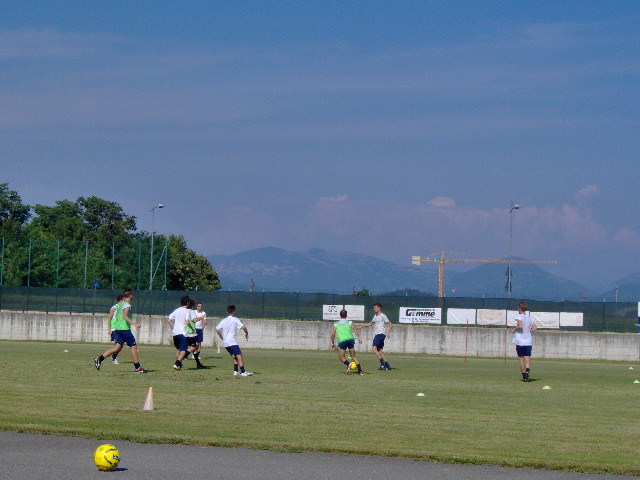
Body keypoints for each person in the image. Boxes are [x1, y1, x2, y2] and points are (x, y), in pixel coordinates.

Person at [94, 290, 146, 373]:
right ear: (130, 296)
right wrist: (134, 324)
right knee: (133, 346)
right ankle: (137, 367)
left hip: (118, 329)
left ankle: (99, 359)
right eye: (132, 295)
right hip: (124, 329)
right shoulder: (127, 305)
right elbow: (125, 316)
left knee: (117, 348)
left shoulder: (120, 304)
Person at [216, 305, 253, 376]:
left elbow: (217, 329)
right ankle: (243, 372)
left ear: (227, 312)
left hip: (226, 343)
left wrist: (222, 338)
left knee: (236, 356)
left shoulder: (224, 320)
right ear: (234, 311)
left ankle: (235, 371)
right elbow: (244, 327)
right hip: (232, 342)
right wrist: (246, 334)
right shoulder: (235, 319)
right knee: (239, 355)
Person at [356, 303, 393, 370]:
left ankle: (382, 364)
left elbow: (390, 324)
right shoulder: (375, 316)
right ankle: (387, 366)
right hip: (379, 334)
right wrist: (360, 327)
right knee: (379, 351)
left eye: (375, 308)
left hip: (380, 334)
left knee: (373, 349)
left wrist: (388, 332)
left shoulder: (383, 316)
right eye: (374, 308)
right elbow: (370, 323)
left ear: (379, 308)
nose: (374, 309)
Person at [330, 309, 364, 375]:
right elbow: (355, 330)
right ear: (346, 315)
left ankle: (348, 365)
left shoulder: (336, 324)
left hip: (342, 341)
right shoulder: (349, 322)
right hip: (350, 340)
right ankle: (360, 371)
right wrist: (359, 338)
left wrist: (332, 343)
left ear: (340, 315)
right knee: (353, 356)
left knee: (341, 357)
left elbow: (333, 334)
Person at [511, 301, 538, 382]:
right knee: (527, 358)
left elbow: (520, 326)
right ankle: (527, 371)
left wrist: (514, 329)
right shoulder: (530, 318)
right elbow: (535, 328)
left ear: (519, 308)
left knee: (521, 358)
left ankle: (524, 376)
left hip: (520, 341)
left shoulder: (519, 317)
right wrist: (529, 331)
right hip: (528, 341)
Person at [168, 295, 193, 371]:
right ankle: (177, 363)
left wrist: (173, 328)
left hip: (175, 333)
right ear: (188, 303)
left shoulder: (176, 310)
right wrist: (192, 329)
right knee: (183, 350)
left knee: (178, 349)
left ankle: (179, 365)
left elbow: (169, 320)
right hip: (182, 333)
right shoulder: (187, 311)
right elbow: (187, 322)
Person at [186, 298, 205, 368]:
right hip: (191, 332)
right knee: (194, 347)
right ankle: (180, 359)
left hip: (185, 331)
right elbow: (194, 320)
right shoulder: (191, 312)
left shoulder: (184, 311)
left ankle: (198, 363)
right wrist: (202, 317)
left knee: (193, 347)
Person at [108, 294, 125, 364]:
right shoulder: (114, 308)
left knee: (122, 343)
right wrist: (109, 329)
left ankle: (114, 356)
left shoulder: (122, 308)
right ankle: (114, 358)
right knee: (118, 343)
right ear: (121, 300)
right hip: (114, 328)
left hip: (120, 328)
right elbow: (109, 318)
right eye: (124, 300)